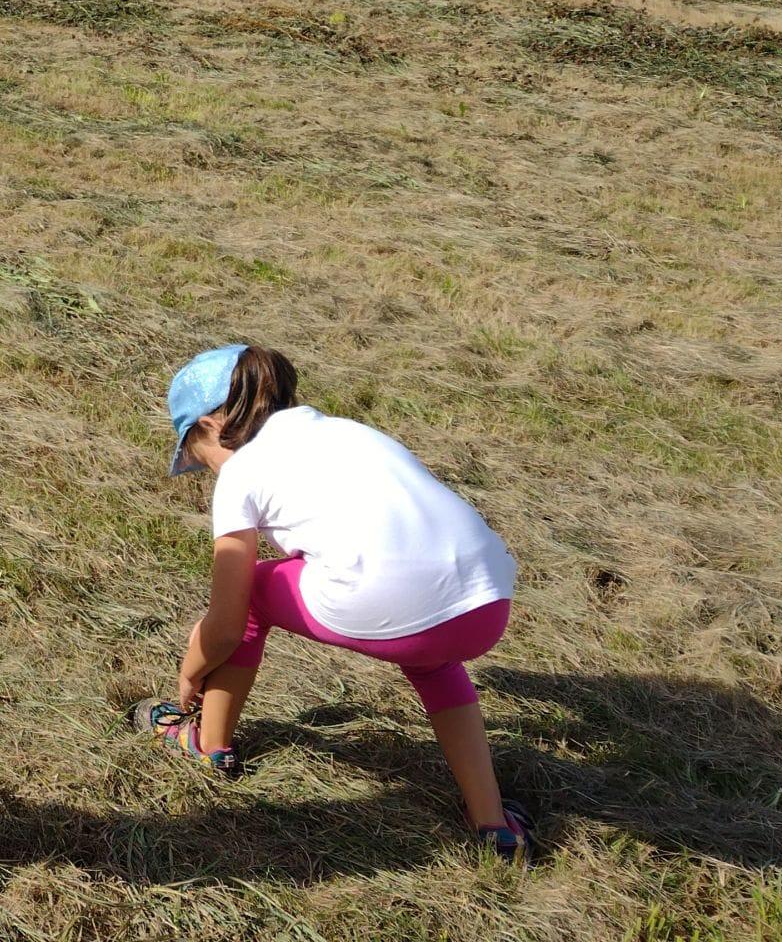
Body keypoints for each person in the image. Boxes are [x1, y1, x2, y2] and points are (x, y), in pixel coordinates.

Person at [133, 343, 533, 864]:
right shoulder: (348, 431)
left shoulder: (240, 474)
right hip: (486, 600)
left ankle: (208, 744)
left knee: (251, 591)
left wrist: (191, 674)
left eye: (195, 454)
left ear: (210, 423)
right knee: (433, 663)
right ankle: (493, 825)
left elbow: (227, 624)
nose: (205, 470)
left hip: (396, 601)